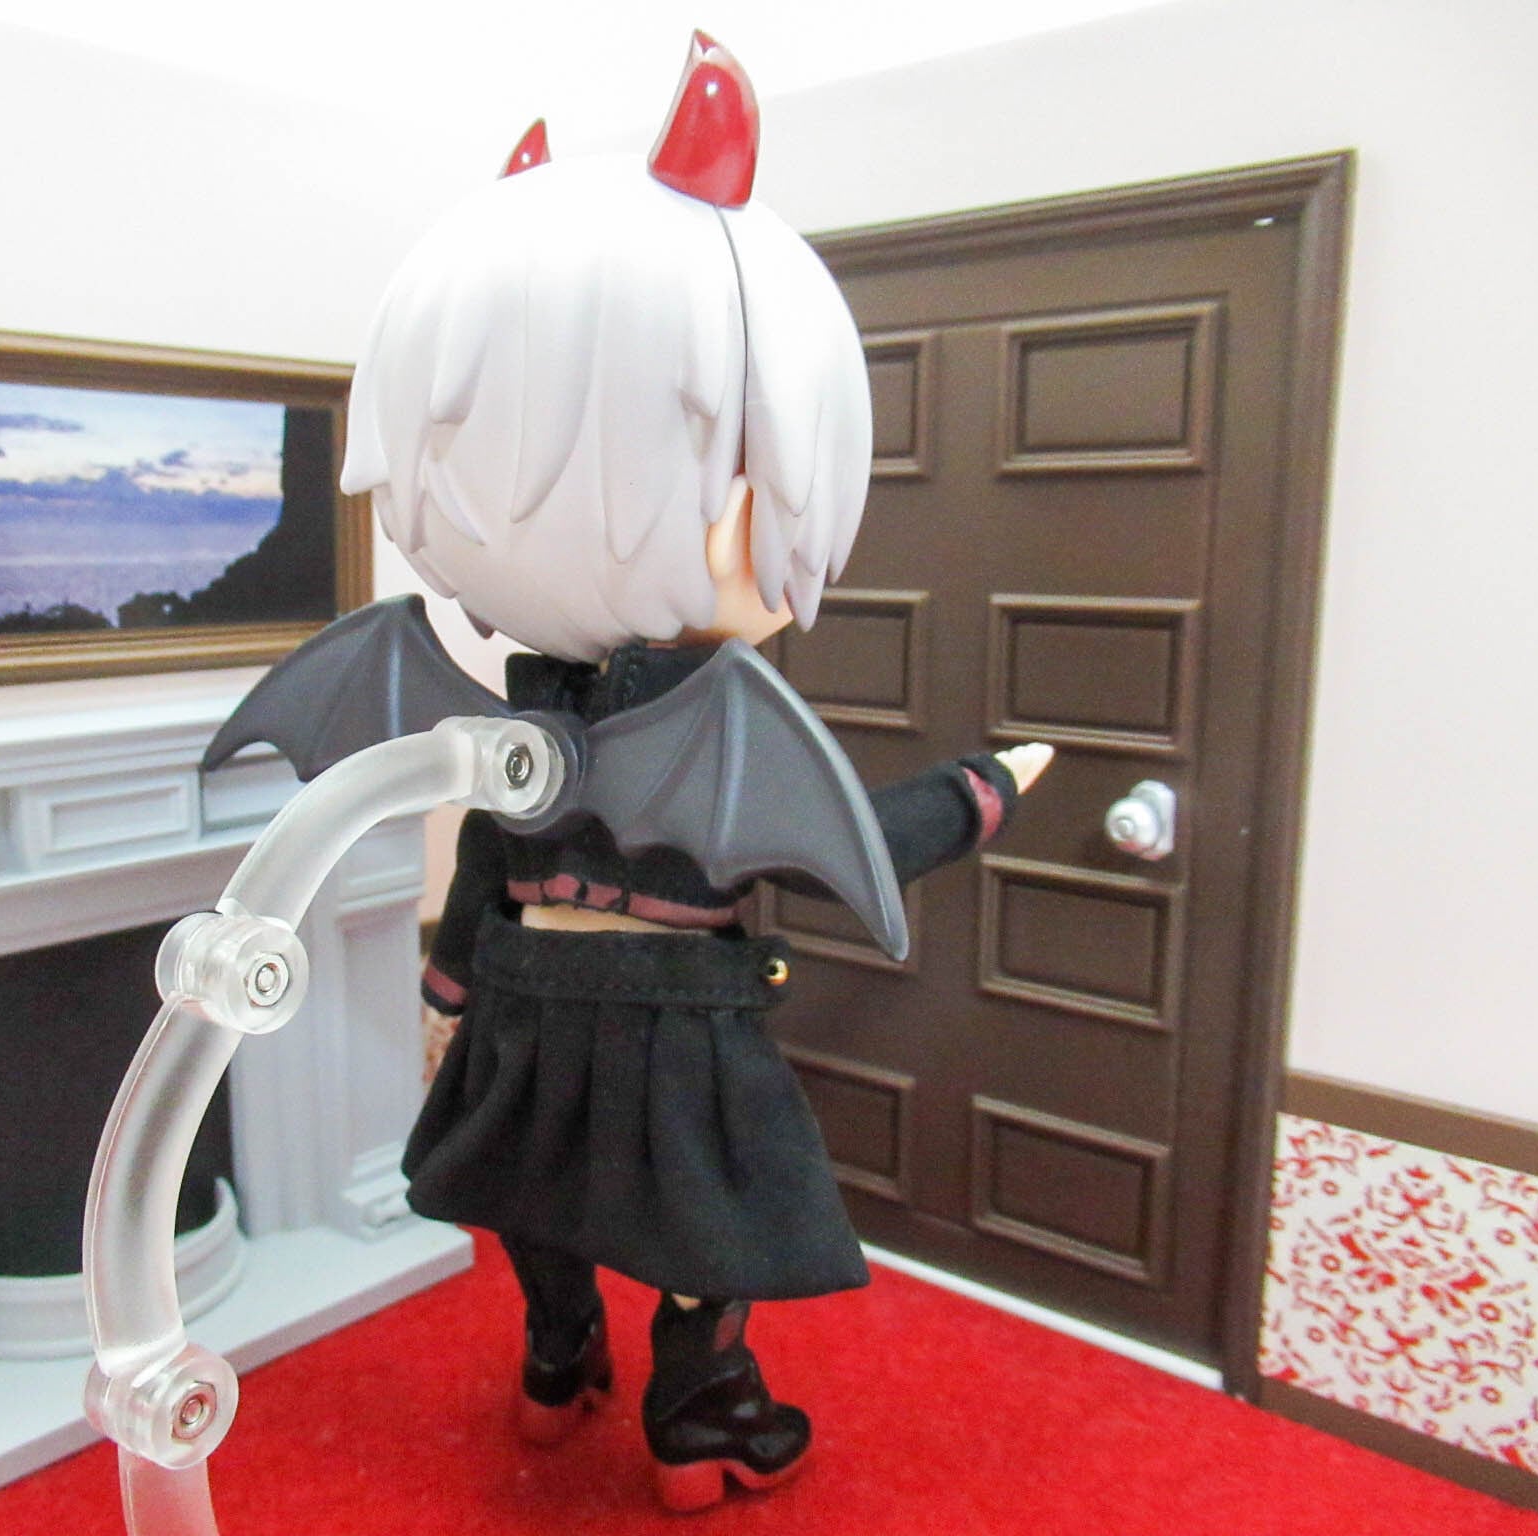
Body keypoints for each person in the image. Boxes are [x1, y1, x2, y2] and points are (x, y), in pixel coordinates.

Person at [339, 33, 1052, 1512]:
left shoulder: (538, 710)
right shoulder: (708, 715)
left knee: (534, 1188)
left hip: (528, 1002)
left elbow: (492, 857)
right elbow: (851, 842)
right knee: (704, 1228)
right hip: (674, 1022)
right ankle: (698, 1413)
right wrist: (979, 793)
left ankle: (556, 1367)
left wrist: (457, 983)